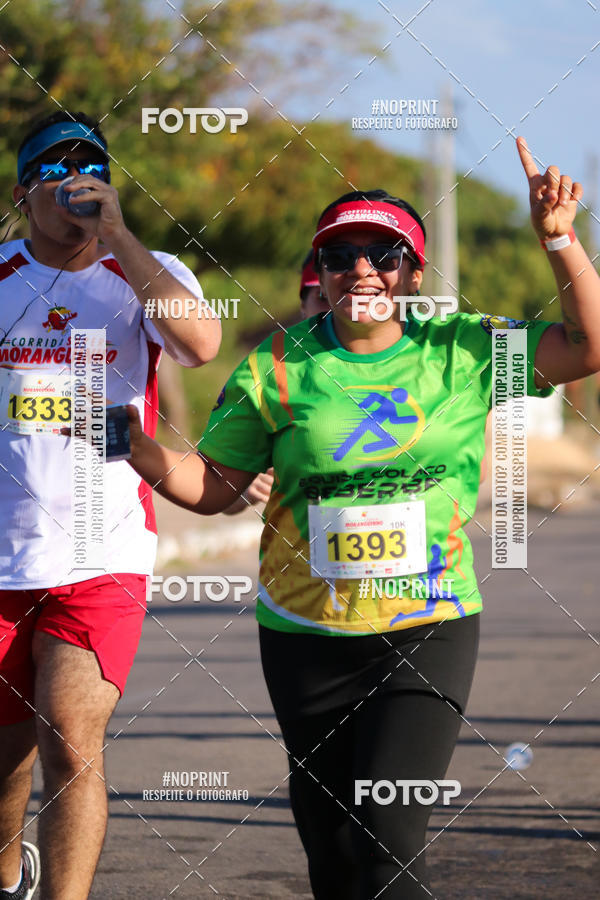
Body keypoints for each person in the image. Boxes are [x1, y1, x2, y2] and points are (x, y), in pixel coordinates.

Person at [122, 137, 600, 898]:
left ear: (414, 270)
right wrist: (138, 446)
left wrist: (559, 239)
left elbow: (587, 346)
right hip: (303, 632)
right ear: (322, 271)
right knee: (332, 846)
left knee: (387, 835)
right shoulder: (276, 363)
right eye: (341, 256)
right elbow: (213, 488)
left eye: (384, 254)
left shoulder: (466, 349)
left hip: (426, 624)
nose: (363, 270)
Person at [0, 111, 220, 900]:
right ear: (23, 193)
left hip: (103, 547)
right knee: (6, 758)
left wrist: (120, 237)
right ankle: (9, 873)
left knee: (70, 735)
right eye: (54, 169)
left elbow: (200, 344)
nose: (75, 182)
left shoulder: (149, 271)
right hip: (4, 552)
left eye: (89, 167)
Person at [223, 250, 329, 515]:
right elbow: (222, 497)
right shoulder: (270, 376)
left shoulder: (410, 367)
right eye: (322, 298)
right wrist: (244, 489)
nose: (333, 309)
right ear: (303, 306)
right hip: (297, 541)